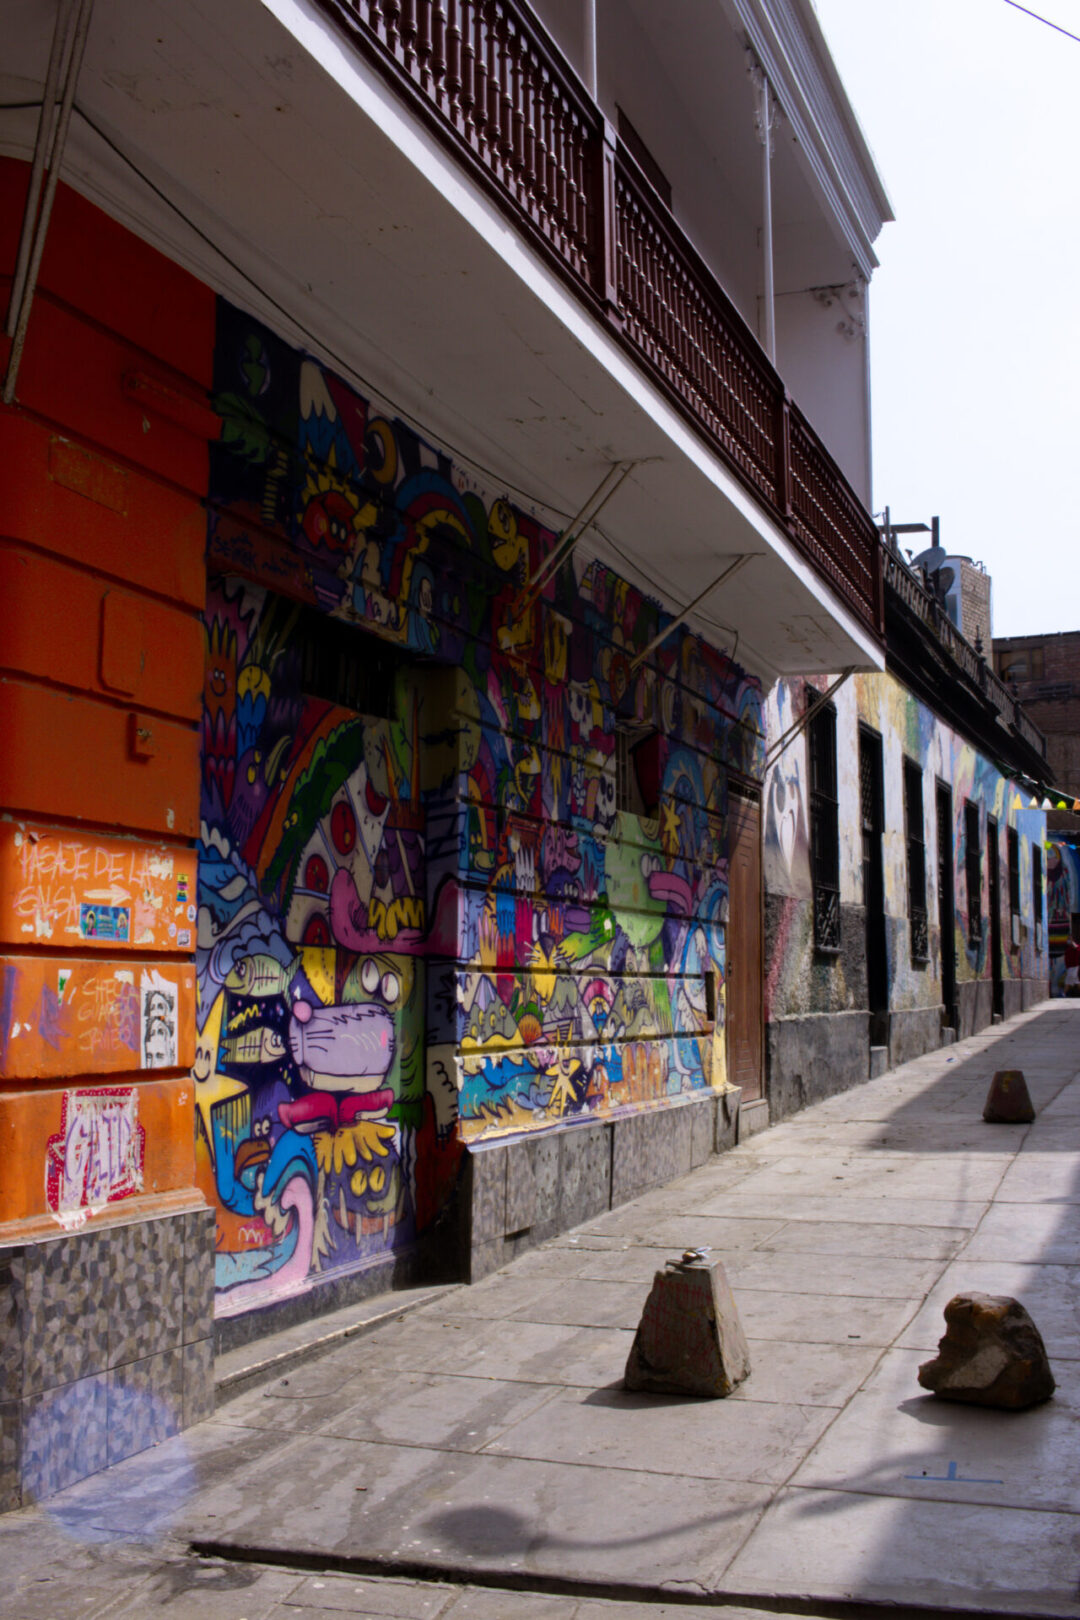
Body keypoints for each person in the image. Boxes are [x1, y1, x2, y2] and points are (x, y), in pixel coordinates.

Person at [1064, 930, 1080, 997]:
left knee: (1069, 980)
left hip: (1074, 966)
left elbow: (1076, 948)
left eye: (1069, 939)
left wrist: (1072, 942)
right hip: (1070, 967)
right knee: (1074, 981)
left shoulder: (1076, 946)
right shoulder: (1068, 949)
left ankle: (1064, 993)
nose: (1068, 940)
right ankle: (1064, 993)